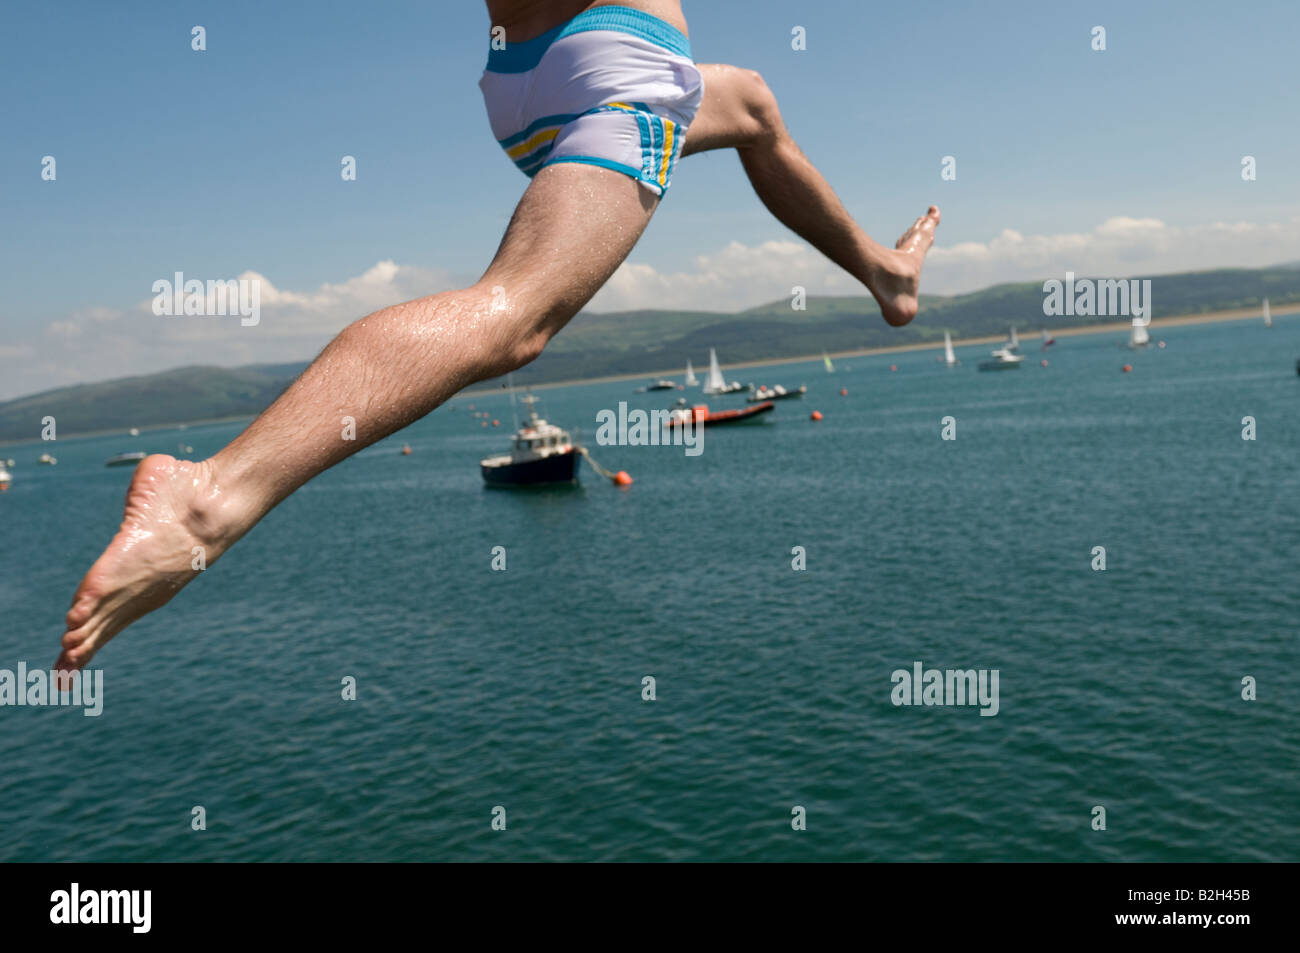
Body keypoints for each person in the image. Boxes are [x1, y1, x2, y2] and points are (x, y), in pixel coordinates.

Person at [55, 0, 939, 673]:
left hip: (522, 84)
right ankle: (211, 496)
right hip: (618, 65)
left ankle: (884, 274)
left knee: (749, 103)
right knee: (513, 316)